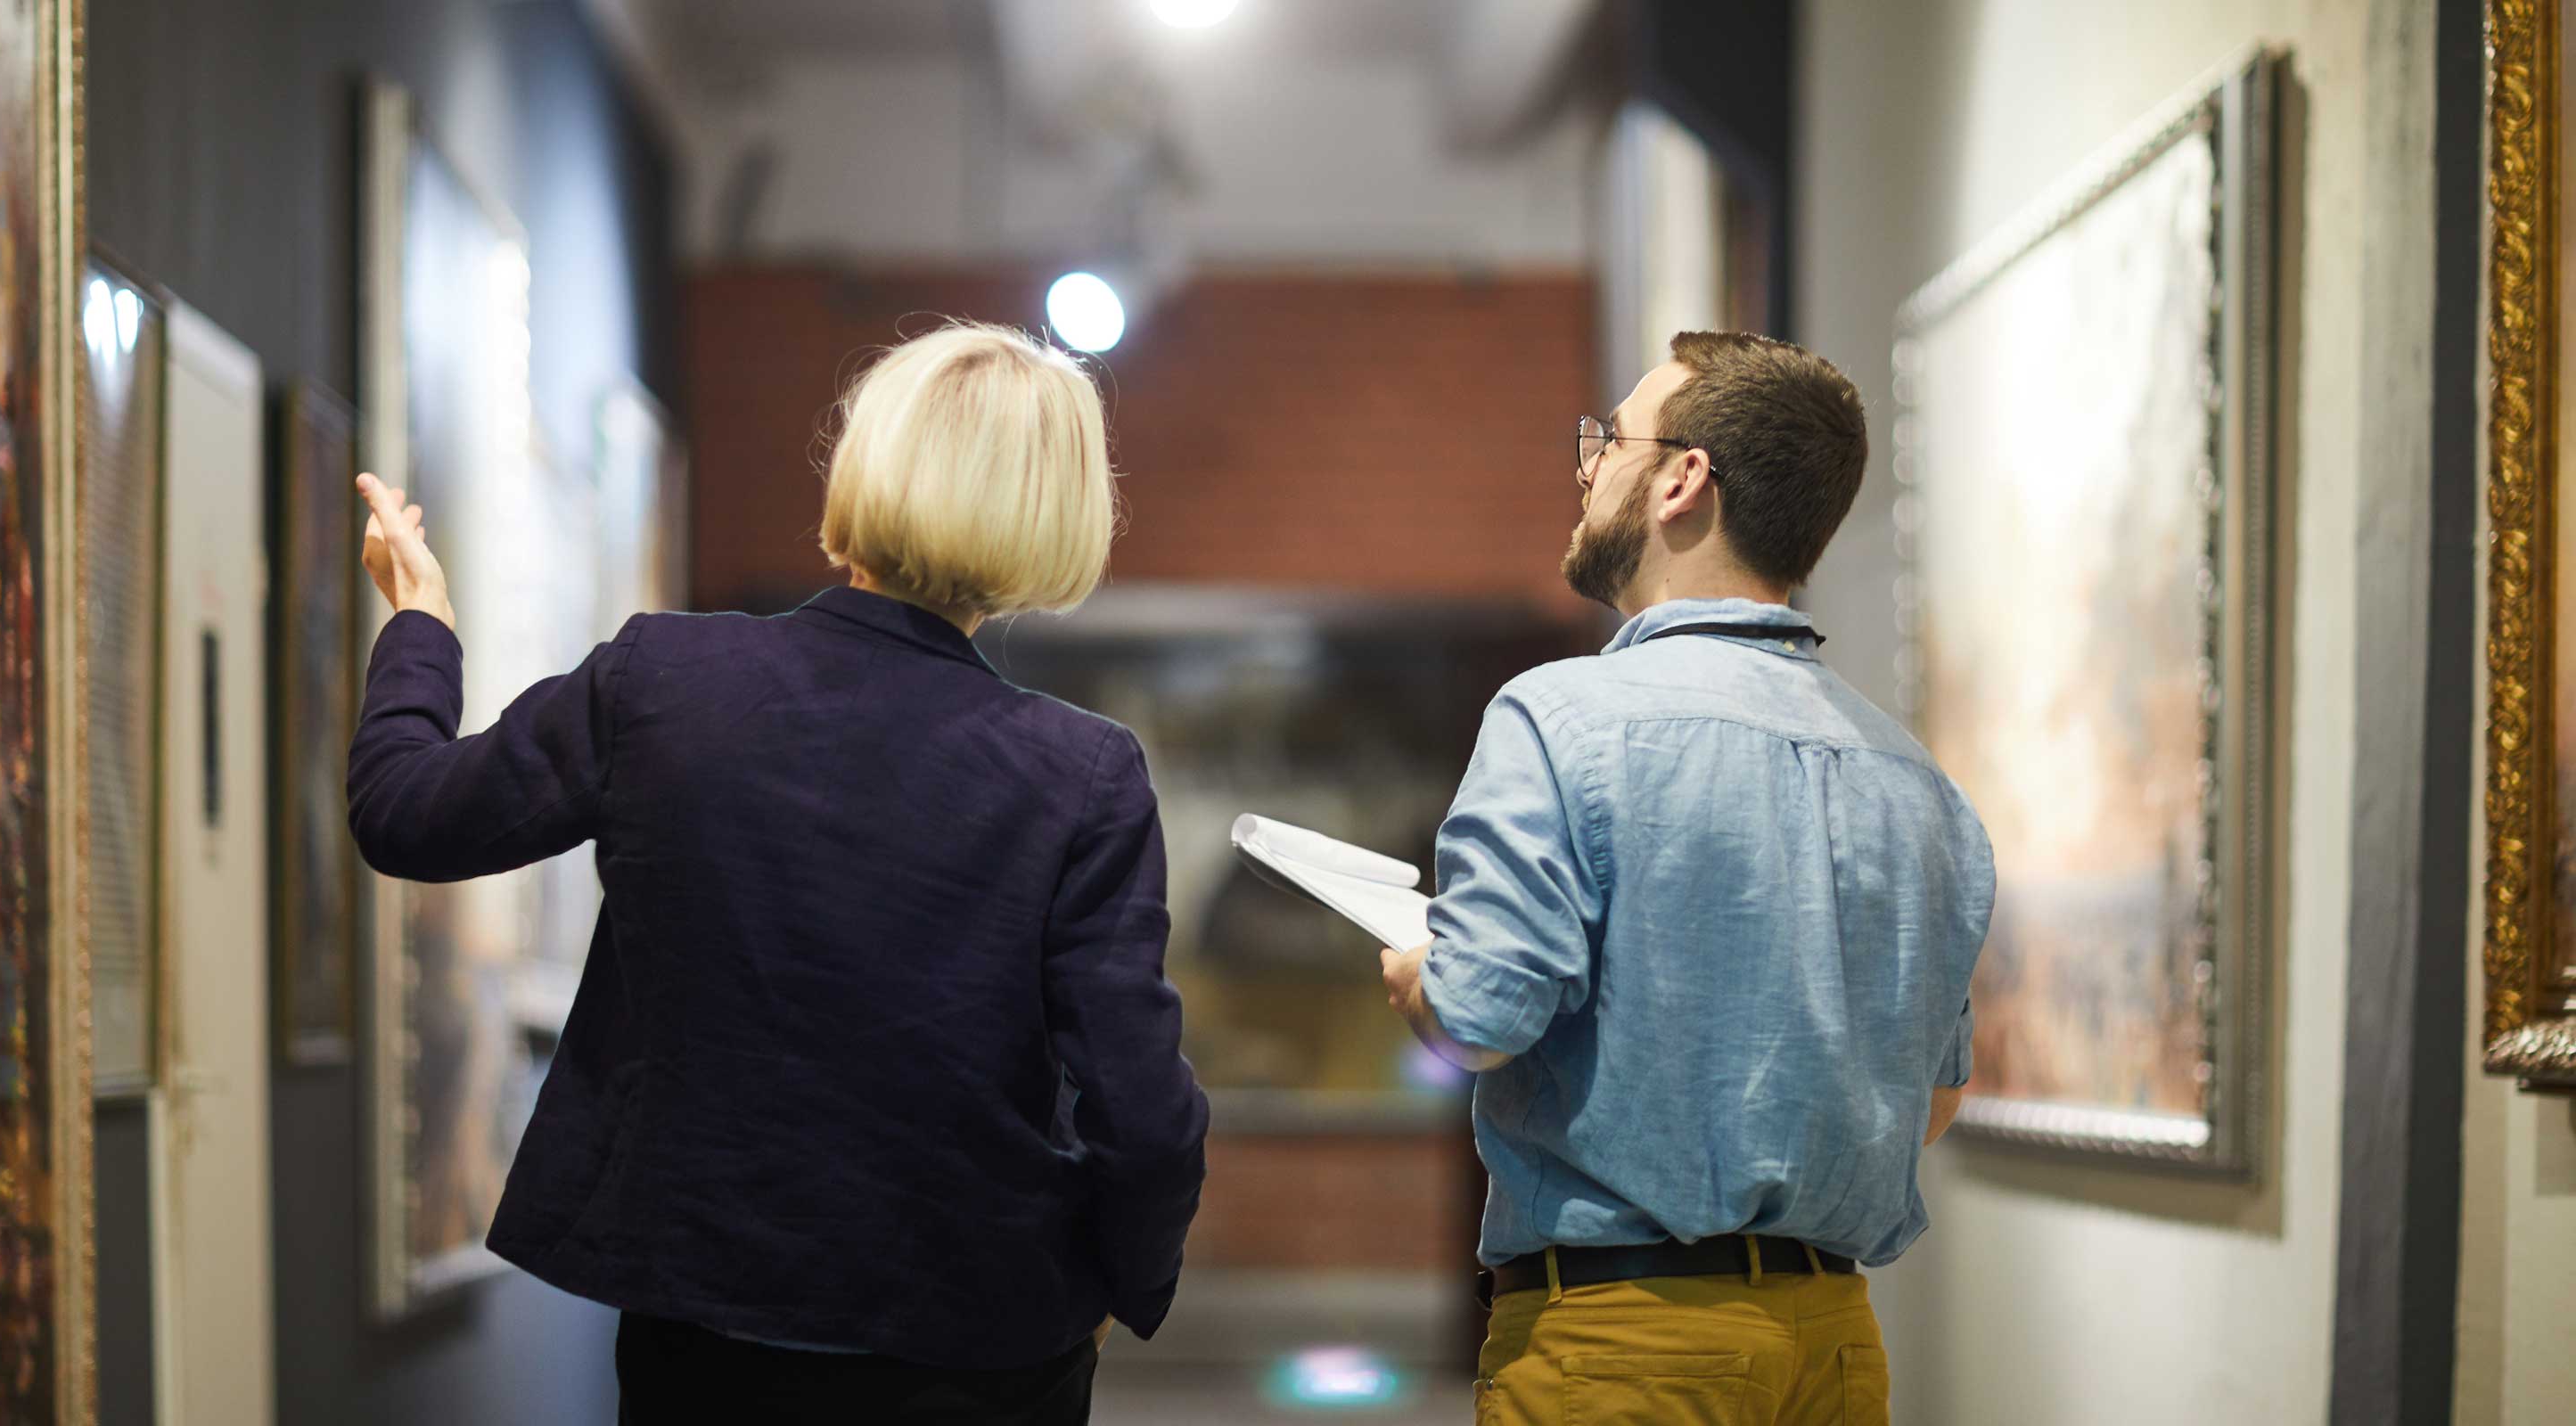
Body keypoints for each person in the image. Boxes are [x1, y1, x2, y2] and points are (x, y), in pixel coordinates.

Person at [348, 322, 1209, 1425]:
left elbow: (404, 813)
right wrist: (1119, 1283)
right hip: (979, 1353)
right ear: (1057, 514)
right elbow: (1141, 1110)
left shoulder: (665, 680)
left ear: (867, 464)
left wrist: (420, 628)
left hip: (703, 1340)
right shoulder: (1081, 774)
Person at [1379, 331, 1992, 1426]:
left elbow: (1480, 1014)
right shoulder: (1918, 781)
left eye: (1606, 438)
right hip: (1837, 1346)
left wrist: (1418, 970)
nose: (1584, 467)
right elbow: (1935, 1097)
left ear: (1680, 478)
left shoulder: (1560, 717)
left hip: (1624, 1344)